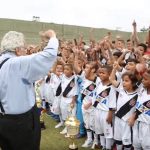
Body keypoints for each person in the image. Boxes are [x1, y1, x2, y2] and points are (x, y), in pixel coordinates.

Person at [0, 30, 58, 150]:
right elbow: (49, 54)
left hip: (4, 120)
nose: (26, 51)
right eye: (24, 48)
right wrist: (52, 36)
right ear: (17, 49)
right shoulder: (17, 63)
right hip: (21, 122)